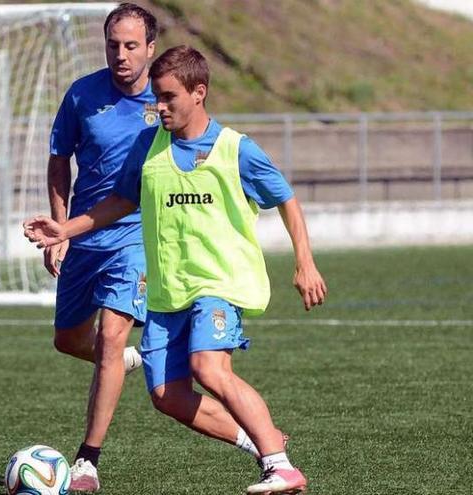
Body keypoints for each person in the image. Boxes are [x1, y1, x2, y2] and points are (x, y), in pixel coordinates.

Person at [25, 45, 326, 495]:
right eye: (156, 99)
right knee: (167, 396)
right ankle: (266, 445)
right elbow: (122, 201)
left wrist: (305, 261)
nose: (158, 107)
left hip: (217, 282)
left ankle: (281, 465)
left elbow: (285, 197)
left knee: (209, 367)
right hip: (168, 289)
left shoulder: (235, 149)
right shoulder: (149, 146)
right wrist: (64, 229)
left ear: (198, 93)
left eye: (167, 98)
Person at [44, 4, 157, 491]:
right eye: (114, 45)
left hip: (136, 236)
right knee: (69, 340)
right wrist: (60, 229)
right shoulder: (82, 95)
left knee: (111, 335)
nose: (121, 55)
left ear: (150, 48)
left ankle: (87, 461)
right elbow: (59, 160)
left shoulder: (166, 98)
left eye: (132, 46)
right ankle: (127, 362)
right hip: (83, 235)